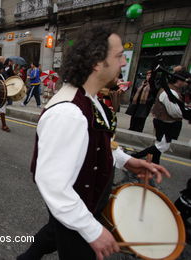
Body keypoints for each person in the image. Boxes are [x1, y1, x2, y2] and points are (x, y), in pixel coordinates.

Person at [17, 26, 170, 260]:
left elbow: (99, 142)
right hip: (77, 208)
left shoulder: (90, 99)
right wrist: (92, 229)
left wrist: (127, 161)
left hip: (83, 205)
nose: (123, 63)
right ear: (97, 63)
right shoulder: (68, 113)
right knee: (65, 235)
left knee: (53, 232)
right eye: (118, 56)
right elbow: (53, 183)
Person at [132, 69, 191, 164]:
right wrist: (186, 112)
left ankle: (155, 162)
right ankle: (135, 157)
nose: (187, 84)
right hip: (165, 123)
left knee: (160, 144)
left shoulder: (172, 90)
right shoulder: (170, 92)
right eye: (186, 81)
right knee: (162, 146)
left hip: (165, 122)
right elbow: (175, 112)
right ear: (180, 80)